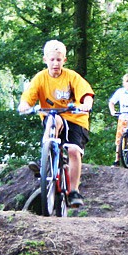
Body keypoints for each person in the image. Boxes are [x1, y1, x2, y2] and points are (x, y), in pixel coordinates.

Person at [18, 40, 94, 208]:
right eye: (52, 60)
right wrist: (24, 107)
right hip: (53, 114)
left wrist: (86, 104)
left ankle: (74, 191)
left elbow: (86, 94)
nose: (55, 63)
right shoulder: (40, 78)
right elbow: (27, 99)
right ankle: (44, 159)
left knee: (73, 150)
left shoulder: (72, 77)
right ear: (45, 59)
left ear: (64, 60)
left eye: (59, 60)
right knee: (53, 119)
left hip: (75, 118)